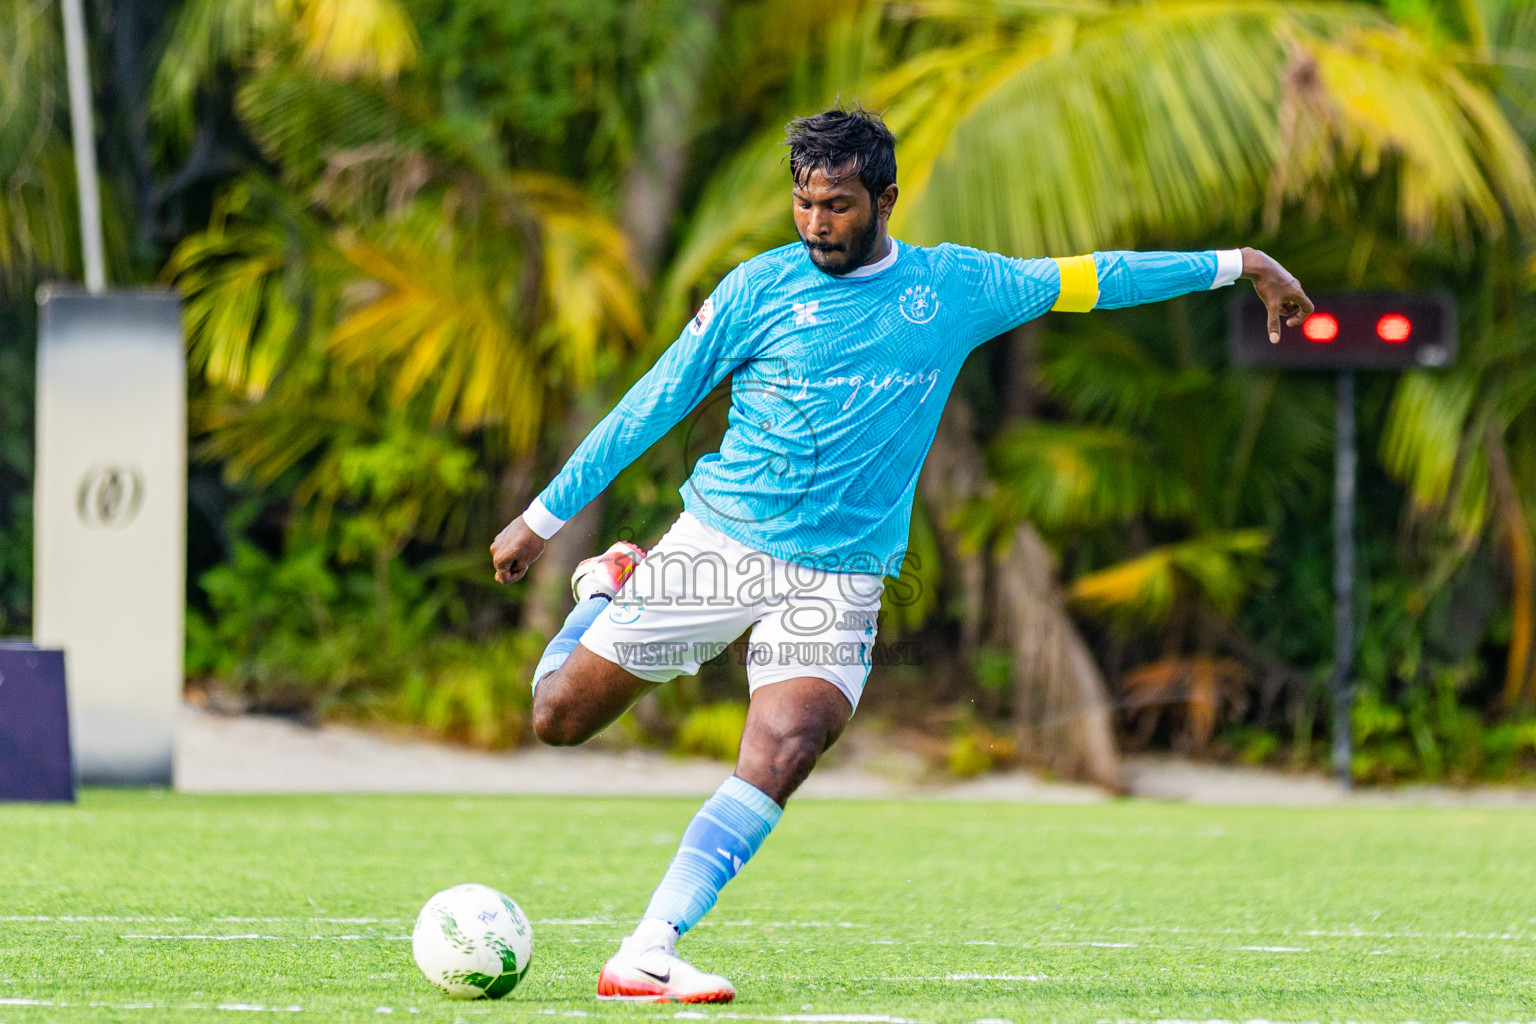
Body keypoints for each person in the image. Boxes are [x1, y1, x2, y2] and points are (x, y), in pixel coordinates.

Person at [489, 107, 1313, 1004]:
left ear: (884, 198)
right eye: (803, 204)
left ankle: (648, 949)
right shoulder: (757, 290)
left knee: (789, 744)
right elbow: (651, 402)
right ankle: (604, 586)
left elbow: (1096, 279)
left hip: (842, 575)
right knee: (558, 720)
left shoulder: (954, 287)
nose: (816, 225)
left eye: (837, 205)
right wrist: (542, 516)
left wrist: (1239, 265)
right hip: (721, 542)